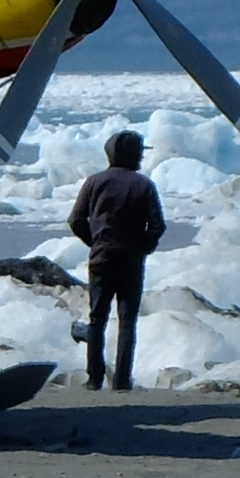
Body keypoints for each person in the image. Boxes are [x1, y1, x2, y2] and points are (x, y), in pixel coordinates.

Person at [69, 129, 164, 391]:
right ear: (132, 155)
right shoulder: (144, 185)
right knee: (127, 320)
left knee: (97, 319)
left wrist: (95, 242)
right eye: (139, 153)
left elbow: (75, 220)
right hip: (131, 260)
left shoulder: (94, 182)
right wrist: (143, 247)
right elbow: (157, 226)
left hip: (102, 257)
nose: (141, 158)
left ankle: (94, 378)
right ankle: (122, 379)